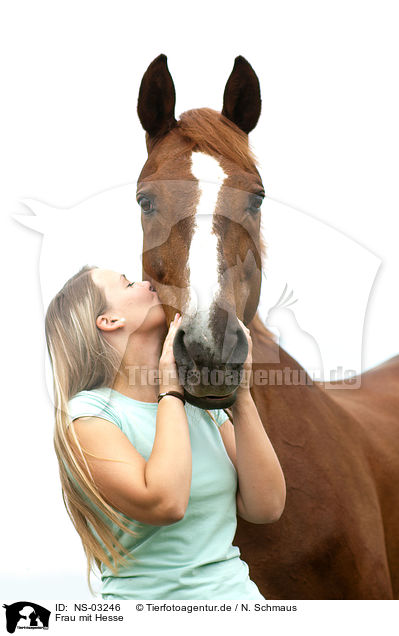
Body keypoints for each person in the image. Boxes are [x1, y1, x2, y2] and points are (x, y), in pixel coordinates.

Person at [45, 265, 286, 600]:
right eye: (128, 283)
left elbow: (267, 507)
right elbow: (167, 504)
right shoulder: (88, 416)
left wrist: (241, 395)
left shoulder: (200, 407)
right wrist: (170, 391)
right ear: (109, 321)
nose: (146, 282)